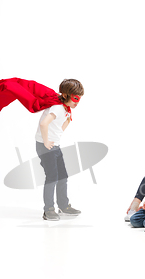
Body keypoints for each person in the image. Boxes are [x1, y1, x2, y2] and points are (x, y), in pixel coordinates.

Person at [35, 79, 84, 221]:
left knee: (62, 176)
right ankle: (48, 209)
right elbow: (44, 124)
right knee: (52, 178)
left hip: (55, 145)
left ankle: (63, 205)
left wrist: (64, 125)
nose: (77, 102)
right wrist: (46, 141)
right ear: (65, 95)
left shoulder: (65, 109)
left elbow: (61, 126)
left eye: (79, 99)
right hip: (46, 146)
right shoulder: (57, 108)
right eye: (75, 98)